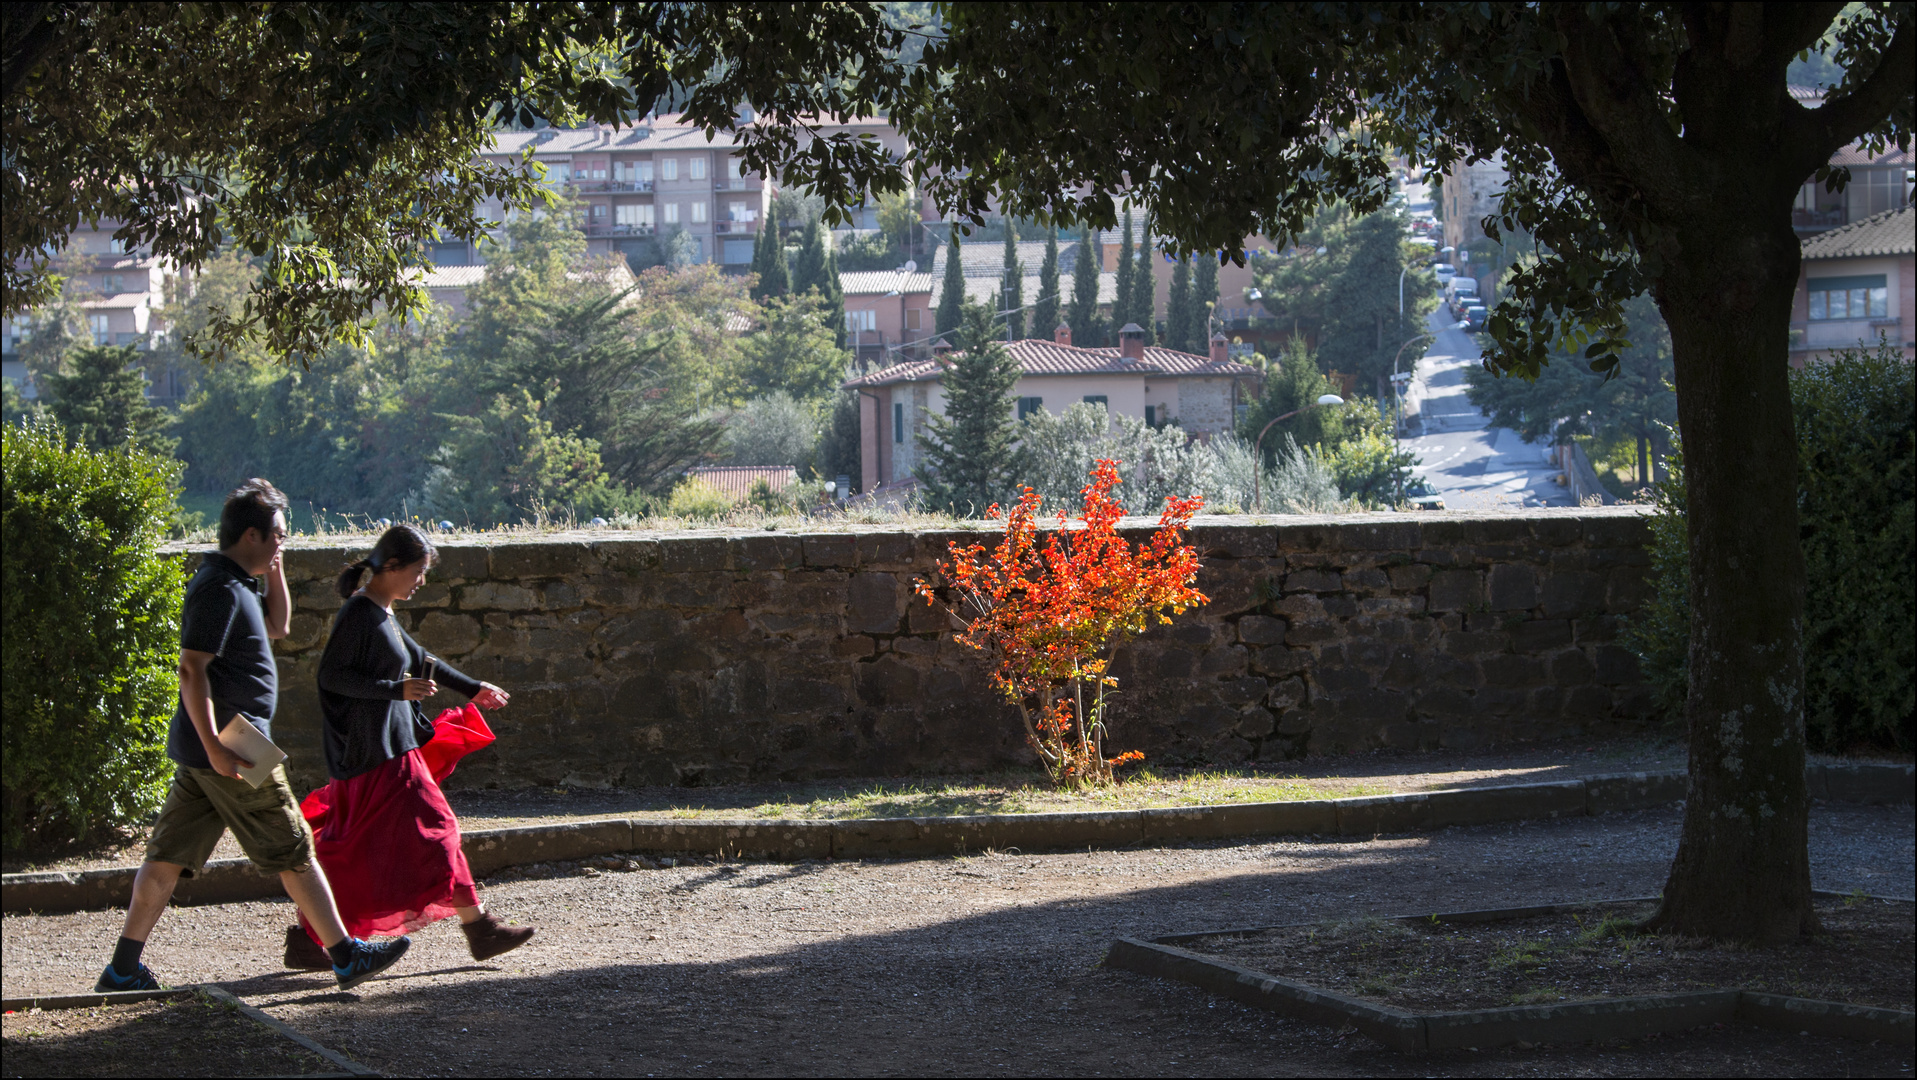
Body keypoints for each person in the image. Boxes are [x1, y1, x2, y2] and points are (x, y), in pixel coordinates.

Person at [98, 479, 411, 993]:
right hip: (236, 745)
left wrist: (276, 568)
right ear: (250, 535)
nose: (283, 543)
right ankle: (345, 955)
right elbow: (191, 670)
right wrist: (219, 749)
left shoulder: (238, 583)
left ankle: (123, 970)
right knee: (294, 846)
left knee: (166, 858)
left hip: (211, 749)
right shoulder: (218, 589)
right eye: (278, 536)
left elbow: (279, 625)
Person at [282, 524, 534, 969]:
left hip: (388, 748)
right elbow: (331, 678)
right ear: (392, 566)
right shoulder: (360, 615)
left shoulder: (383, 612)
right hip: (374, 753)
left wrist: (473, 688)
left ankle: (310, 939)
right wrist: (393, 691)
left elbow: (423, 661)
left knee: (361, 848)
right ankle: (480, 929)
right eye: (417, 571)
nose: (421, 581)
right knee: (439, 830)